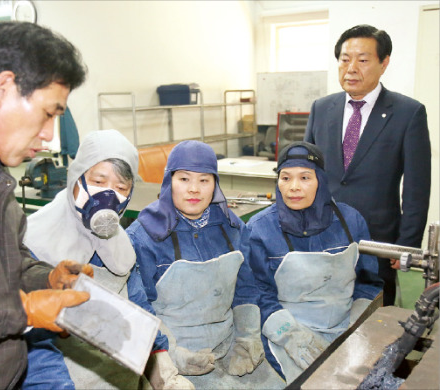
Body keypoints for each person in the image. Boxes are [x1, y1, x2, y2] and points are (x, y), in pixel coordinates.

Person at [0, 21, 92, 389]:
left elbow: (5, 264)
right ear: (3, 88)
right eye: (48, 113)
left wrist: (47, 278)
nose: (49, 134)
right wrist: (22, 311)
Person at [23, 130, 194, 390]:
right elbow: (35, 348)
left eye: (121, 188)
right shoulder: (34, 242)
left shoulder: (120, 244)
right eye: (99, 181)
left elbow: (138, 309)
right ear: (75, 178)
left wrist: (162, 366)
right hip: (65, 379)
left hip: (121, 379)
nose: (108, 196)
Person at [126, 140, 285, 389]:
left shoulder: (232, 228)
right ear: (169, 181)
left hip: (230, 349)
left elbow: (246, 288)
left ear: (215, 185)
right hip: (171, 358)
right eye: (184, 179)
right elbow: (138, 308)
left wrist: (247, 336)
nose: (194, 190)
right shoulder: (143, 236)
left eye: (204, 180)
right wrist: (170, 353)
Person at [304, 24, 431, 306]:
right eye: (344, 59)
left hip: (378, 241)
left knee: (375, 316)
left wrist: (405, 245)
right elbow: (306, 172)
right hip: (322, 233)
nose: (351, 68)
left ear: (384, 63)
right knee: (320, 308)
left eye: (362, 60)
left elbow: (416, 189)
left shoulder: (408, 113)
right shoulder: (321, 108)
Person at [246, 141, 383, 384]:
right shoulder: (259, 229)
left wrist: (357, 328)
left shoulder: (351, 221)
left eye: (305, 177)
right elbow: (257, 293)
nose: (293, 188)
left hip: (345, 327)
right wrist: (290, 336)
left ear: (320, 179)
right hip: (287, 334)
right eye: (285, 178)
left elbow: (369, 281)